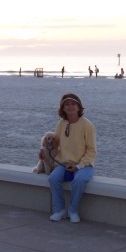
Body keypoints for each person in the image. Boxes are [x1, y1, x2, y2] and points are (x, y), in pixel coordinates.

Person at [45, 93, 97, 223]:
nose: (70, 107)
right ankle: (59, 210)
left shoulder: (87, 125)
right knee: (53, 178)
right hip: (64, 164)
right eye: (66, 104)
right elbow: (55, 145)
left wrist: (79, 166)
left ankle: (73, 211)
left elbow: (92, 150)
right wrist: (44, 152)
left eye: (73, 104)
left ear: (79, 107)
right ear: (62, 108)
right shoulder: (61, 124)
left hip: (84, 165)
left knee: (79, 180)